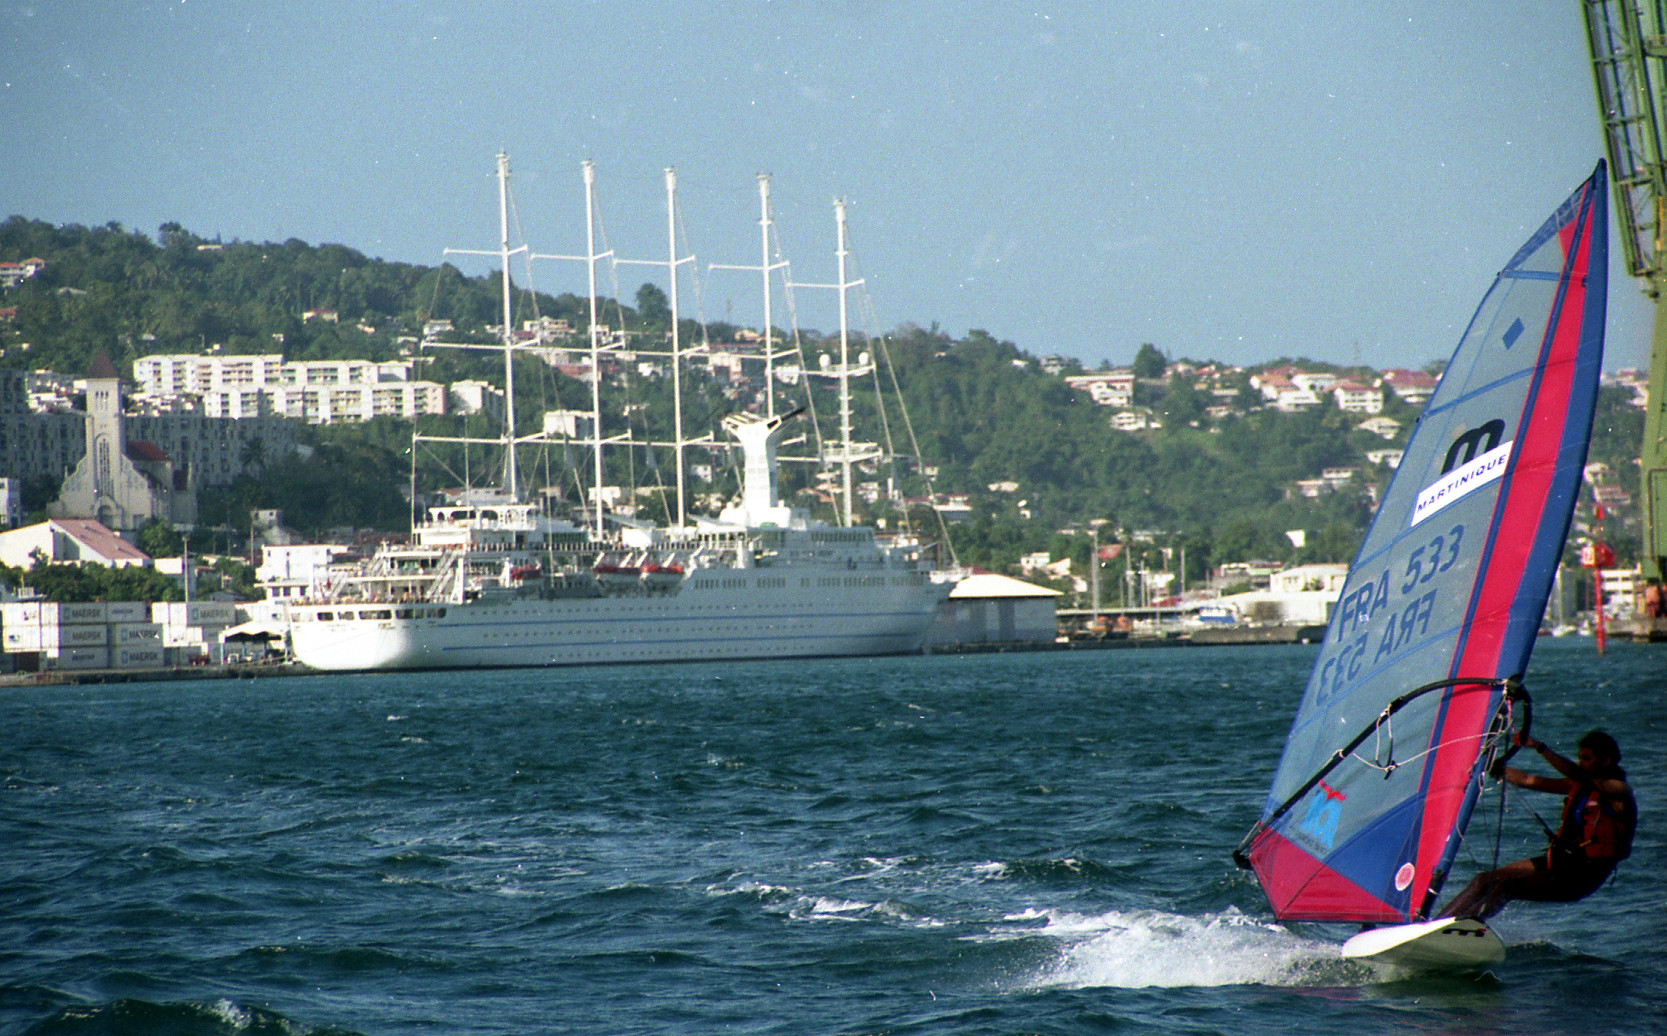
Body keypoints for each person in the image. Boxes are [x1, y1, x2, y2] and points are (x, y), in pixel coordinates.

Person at [1439, 729, 1635, 920]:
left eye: (1586, 759)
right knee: (1483, 881)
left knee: (1505, 888)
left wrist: (1540, 748)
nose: (1580, 763)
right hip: (1559, 863)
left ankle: (1466, 927)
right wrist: (1491, 767)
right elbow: (1527, 780)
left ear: (1606, 761)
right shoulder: (1577, 785)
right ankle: (1433, 925)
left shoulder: (1619, 792)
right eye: (1580, 758)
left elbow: (1578, 774)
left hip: (1582, 875)